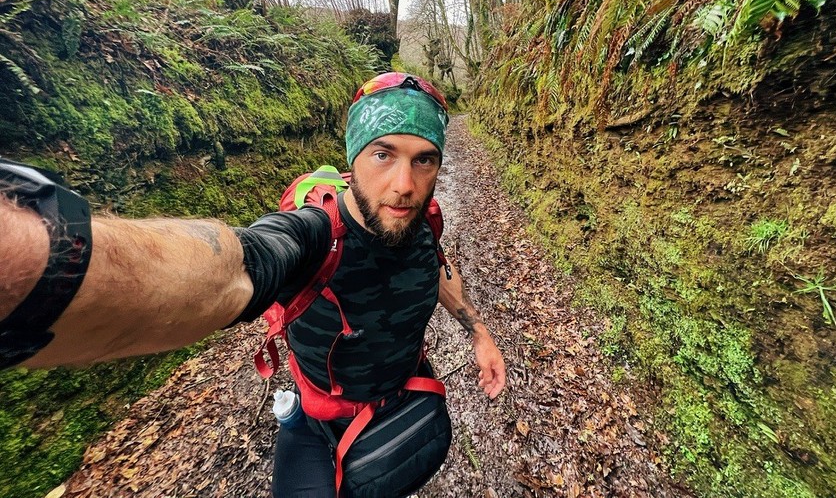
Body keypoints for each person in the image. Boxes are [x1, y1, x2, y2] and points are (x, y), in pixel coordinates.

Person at [0, 72, 506, 497]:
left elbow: (438, 264)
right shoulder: (312, 235)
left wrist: (479, 333)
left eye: (424, 160)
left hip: (405, 393)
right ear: (352, 159)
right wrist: (46, 263)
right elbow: (232, 270)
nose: (404, 184)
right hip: (322, 424)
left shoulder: (424, 216)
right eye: (383, 154)